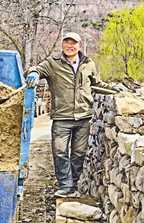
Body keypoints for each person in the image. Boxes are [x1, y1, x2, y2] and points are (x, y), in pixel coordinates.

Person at [26, 32, 106, 198]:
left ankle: (73, 185)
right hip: (62, 116)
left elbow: (96, 84)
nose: (70, 46)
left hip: (83, 116)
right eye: (67, 43)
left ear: (79, 46)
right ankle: (65, 185)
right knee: (59, 151)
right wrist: (33, 74)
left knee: (79, 153)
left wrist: (114, 88)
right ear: (62, 45)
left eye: (73, 43)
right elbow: (36, 69)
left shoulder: (88, 64)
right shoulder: (53, 63)